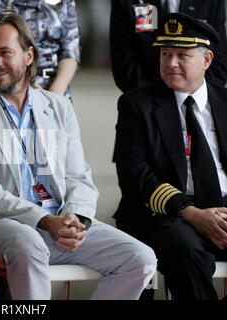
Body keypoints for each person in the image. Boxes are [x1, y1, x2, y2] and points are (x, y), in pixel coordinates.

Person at [0, 13, 157, 300]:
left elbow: (78, 176)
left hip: (59, 224)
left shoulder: (59, 107)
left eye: (5, 52)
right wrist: (45, 221)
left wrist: (75, 218)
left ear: (28, 55)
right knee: (28, 240)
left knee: (140, 259)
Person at [114, 13, 227, 300]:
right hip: (167, 214)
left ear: (207, 60)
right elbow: (136, 177)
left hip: (223, 209)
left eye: (182, 55)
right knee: (184, 249)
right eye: (166, 54)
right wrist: (193, 214)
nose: (171, 63)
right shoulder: (136, 104)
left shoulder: (225, 102)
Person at [110, 0, 227, 92]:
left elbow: (218, 62)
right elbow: (124, 63)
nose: (172, 63)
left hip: (195, 102)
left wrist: (195, 97)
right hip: (145, 103)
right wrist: (152, 101)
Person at [0, 0, 80, 99]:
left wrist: (57, 92)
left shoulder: (64, 2)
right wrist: (42, 96)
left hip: (58, 91)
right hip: (12, 89)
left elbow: (70, 51)